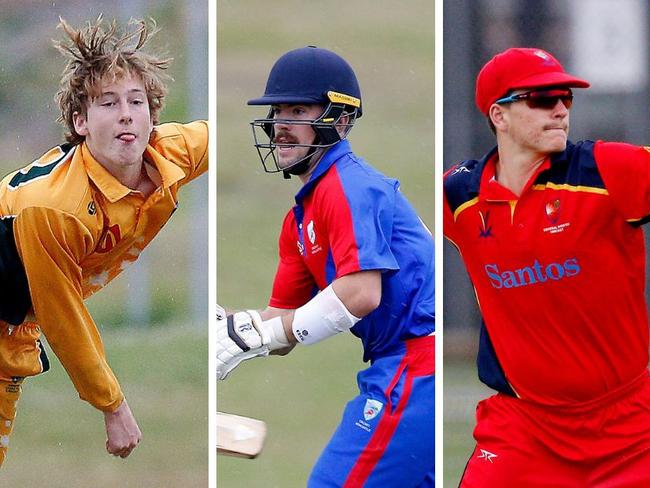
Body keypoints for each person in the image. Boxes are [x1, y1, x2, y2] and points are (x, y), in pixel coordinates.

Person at [216, 46, 435, 487]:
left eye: (297, 111)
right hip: (395, 368)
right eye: (278, 113)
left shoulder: (348, 186)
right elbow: (282, 330)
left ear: (339, 120)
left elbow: (361, 293)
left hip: (418, 366)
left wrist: (265, 333)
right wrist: (229, 329)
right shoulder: (300, 216)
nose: (281, 126)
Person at [0, 17, 207, 466]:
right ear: (80, 123)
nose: (126, 113)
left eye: (136, 101)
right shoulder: (55, 207)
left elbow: (224, 136)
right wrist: (113, 405)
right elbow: (62, 315)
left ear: (154, 117)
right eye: (108, 103)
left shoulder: (170, 151)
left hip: (12, 333)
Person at [444, 47, 650, 486]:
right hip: (524, 429)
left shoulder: (606, 169)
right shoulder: (460, 195)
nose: (559, 110)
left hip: (632, 428)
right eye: (541, 99)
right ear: (499, 115)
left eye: (565, 99)